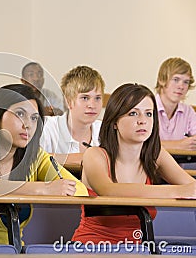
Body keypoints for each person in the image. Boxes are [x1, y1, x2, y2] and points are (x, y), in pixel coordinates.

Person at [0, 84, 87, 245]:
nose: (28, 124)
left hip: (13, 251)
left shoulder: (36, 158)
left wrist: (3, 196)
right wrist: (41, 189)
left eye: (34, 118)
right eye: (20, 114)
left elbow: (79, 190)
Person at [71, 83, 196, 244]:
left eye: (149, 114)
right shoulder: (95, 155)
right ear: (114, 121)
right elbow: (109, 191)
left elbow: (192, 188)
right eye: (133, 113)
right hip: (92, 247)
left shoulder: (155, 155)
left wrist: (185, 190)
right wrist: (178, 191)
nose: (142, 121)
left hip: (138, 250)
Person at [40, 65, 105, 166]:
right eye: (85, 98)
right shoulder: (47, 128)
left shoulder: (104, 130)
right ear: (68, 101)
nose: (92, 105)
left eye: (97, 98)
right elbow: (32, 160)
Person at [154, 57, 196, 150]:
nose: (181, 86)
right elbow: (140, 144)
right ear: (162, 80)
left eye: (186, 82)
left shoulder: (188, 111)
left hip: (180, 164)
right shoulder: (147, 108)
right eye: (176, 79)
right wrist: (178, 145)